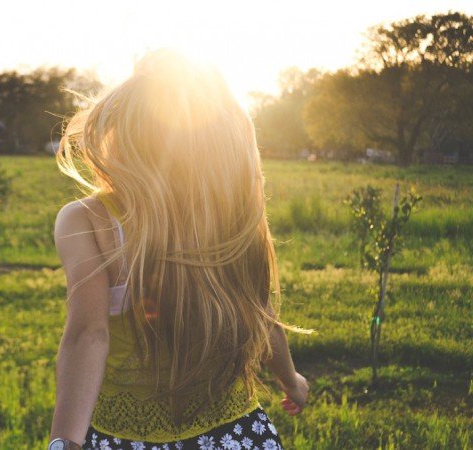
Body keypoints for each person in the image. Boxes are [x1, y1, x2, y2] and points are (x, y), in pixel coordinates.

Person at [48, 49, 311, 450]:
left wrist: (64, 440)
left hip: (127, 438)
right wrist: (291, 381)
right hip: (235, 434)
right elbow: (261, 311)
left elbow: (89, 334)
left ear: (122, 133)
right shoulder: (231, 215)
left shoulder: (87, 219)